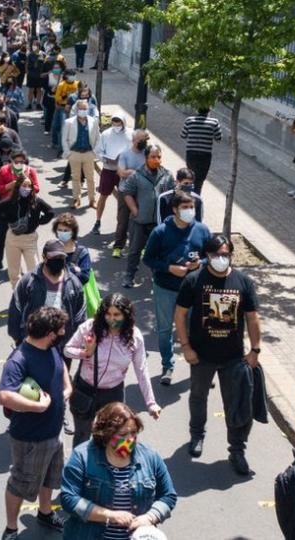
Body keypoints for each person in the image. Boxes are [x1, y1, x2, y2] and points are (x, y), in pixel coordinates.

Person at [175, 234, 262, 475]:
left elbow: (253, 318)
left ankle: (237, 450)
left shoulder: (243, 282)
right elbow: (180, 315)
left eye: (225, 254)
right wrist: (186, 347)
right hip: (201, 355)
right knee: (198, 396)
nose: (221, 259)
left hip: (234, 357)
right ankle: (197, 435)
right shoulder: (193, 280)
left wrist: (255, 350)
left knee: (236, 402)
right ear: (207, 257)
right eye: (216, 255)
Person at [0, 307, 70, 540]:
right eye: (60, 330)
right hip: (30, 438)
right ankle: (11, 528)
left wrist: (67, 387)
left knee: (49, 476)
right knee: (20, 482)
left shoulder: (52, 347)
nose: (63, 333)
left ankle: (45, 513)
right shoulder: (19, 359)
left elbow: (61, 367)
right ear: (49, 333)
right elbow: (4, 396)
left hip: (53, 433)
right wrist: (38, 407)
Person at [60, 402, 177, 539]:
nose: (130, 440)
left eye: (133, 433)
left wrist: (150, 517)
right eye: (122, 434)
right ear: (106, 434)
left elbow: (168, 496)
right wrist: (110, 515)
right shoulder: (82, 457)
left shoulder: (150, 456)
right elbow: (69, 499)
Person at [63, 295, 161, 447]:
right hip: (85, 389)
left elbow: (142, 370)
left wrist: (151, 403)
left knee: (111, 439)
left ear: (126, 315)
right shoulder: (90, 327)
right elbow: (67, 350)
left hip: (112, 394)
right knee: (82, 437)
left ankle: (107, 469)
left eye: (116, 315)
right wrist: (85, 353)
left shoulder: (135, 338)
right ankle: (79, 469)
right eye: (108, 314)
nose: (111, 319)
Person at [143, 191, 211, 385]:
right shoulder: (161, 232)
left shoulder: (202, 230)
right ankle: (167, 365)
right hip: (165, 288)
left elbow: (210, 256)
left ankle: (197, 368)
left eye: (192, 207)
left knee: (195, 329)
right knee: (165, 329)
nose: (190, 211)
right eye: (185, 207)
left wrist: (200, 263)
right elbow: (148, 258)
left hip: (193, 290)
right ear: (174, 210)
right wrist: (169, 268)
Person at [8, 240, 87, 347]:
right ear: (44, 257)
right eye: (53, 258)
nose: (57, 261)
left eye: (60, 258)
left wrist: (76, 340)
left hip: (63, 343)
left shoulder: (74, 284)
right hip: (33, 342)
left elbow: (80, 315)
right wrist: (17, 336)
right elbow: (16, 308)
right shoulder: (28, 281)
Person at [120, 144, 172, 288]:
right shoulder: (136, 175)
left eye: (159, 157)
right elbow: (127, 193)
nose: (156, 160)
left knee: (158, 252)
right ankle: (129, 276)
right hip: (140, 222)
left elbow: (172, 195)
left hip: (159, 224)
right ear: (146, 158)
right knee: (134, 251)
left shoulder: (167, 176)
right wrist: (135, 210)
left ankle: (157, 278)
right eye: (153, 157)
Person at [0, 176, 55, 286]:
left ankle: (35, 295)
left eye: (29, 186)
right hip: (13, 240)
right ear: (18, 187)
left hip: (29, 240)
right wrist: (7, 220)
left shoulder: (36, 201)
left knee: (34, 269)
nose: (27, 188)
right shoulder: (11, 201)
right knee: (14, 272)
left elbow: (50, 212)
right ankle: (18, 296)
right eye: (24, 186)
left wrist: (39, 222)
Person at [112, 130, 149, 258]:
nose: (144, 143)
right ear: (133, 141)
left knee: (142, 220)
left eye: (145, 140)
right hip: (125, 192)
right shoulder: (125, 154)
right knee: (123, 220)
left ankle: (142, 247)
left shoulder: (147, 154)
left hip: (141, 192)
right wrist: (135, 172)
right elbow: (121, 173)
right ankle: (118, 247)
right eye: (141, 140)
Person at [93, 115, 133, 234]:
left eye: (118, 122)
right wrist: (106, 159)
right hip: (108, 169)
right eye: (114, 122)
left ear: (123, 122)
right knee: (103, 196)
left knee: (125, 198)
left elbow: (135, 150)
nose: (116, 125)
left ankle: (123, 224)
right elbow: (98, 151)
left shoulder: (131, 134)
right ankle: (98, 221)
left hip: (124, 171)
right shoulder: (106, 134)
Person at [62, 99, 100, 209]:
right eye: (81, 108)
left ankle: (92, 200)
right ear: (77, 109)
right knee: (75, 177)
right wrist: (68, 153)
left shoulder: (93, 121)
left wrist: (94, 152)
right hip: (74, 153)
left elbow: (98, 138)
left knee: (90, 178)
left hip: (88, 153)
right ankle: (76, 199)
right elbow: (64, 139)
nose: (83, 110)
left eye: (85, 108)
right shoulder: (69, 122)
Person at [178, 107, 222, 194]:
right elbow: (218, 138)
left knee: (190, 176)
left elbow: (183, 135)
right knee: (200, 179)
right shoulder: (214, 122)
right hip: (205, 155)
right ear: (209, 110)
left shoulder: (189, 120)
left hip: (191, 154)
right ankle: (196, 196)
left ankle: (187, 194)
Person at [52, 213, 92, 285]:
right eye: (60, 230)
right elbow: (47, 272)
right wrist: (73, 270)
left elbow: (84, 277)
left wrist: (60, 272)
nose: (62, 233)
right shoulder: (52, 249)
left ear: (73, 232)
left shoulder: (82, 252)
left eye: (66, 230)